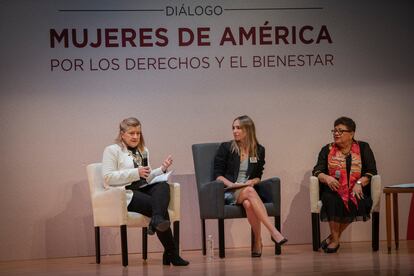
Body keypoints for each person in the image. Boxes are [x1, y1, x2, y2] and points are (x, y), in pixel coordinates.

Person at [102, 117, 189, 266]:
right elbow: (108, 177)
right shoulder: (112, 150)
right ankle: (172, 253)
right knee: (160, 209)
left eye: (138, 133)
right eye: (132, 133)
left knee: (163, 185)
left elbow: (146, 177)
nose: (136, 136)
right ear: (122, 134)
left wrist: (161, 169)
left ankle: (155, 221)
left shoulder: (143, 150)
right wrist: (136, 172)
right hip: (125, 193)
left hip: (142, 188)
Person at [214, 115, 287, 258]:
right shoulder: (226, 147)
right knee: (249, 192)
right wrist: (233, 185)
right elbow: (217, 175)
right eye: (233, 128)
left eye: (239, 128)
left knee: (248, 203)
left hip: (247, 191)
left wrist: (252, 181)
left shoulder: (259, 150)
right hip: (228, 191)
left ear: (248, 130)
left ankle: (258, 241)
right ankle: (273, 232)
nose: (235, 131)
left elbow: (258, 176)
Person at [312, 116, 377, 253]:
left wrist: (359, 182)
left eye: (340, 131)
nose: (336, 133)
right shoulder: (327, 149)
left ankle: (333, 238)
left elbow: (371, 171)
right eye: (334, 130)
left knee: (356, 199)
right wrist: (327, 178)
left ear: (352, 133)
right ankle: (335, 240)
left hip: (356, 188)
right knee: (331, 199)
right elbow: (317, 170)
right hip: (333, 189)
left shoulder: (363, 147)